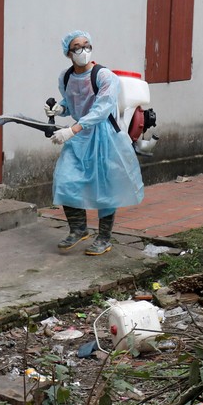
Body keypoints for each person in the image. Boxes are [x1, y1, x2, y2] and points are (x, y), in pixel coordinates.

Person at [46, 30, 145, 255]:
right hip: (80, 137)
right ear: (68, 53)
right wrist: (59, 109)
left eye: (86, 45)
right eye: (77, 48)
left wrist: (72, 129)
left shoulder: (104, 76)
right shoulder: (66, 77)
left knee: (105, 189)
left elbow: (102, 109)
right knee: (66, 179)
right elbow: (72, 103)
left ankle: (104, 238)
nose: (83, 51)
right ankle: (79, 229)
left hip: (105, 136)